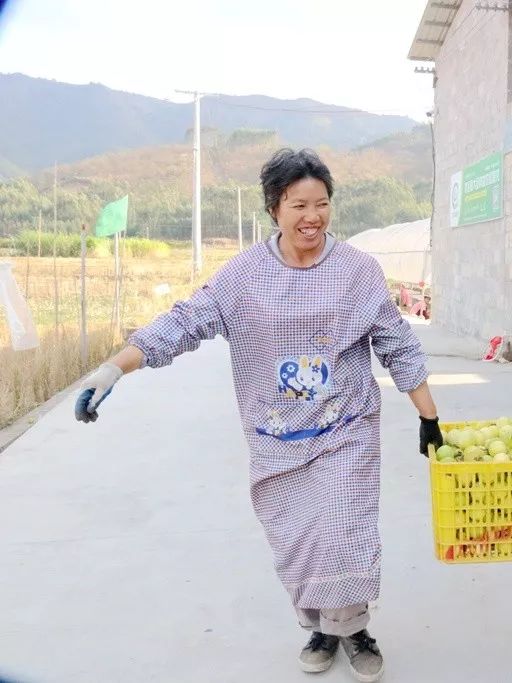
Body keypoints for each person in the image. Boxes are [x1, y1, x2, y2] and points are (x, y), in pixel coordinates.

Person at [73, 148, 444, 681]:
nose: (311, 216)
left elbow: (397, 343)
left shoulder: (358, 270)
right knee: (297, 539)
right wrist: (111, 370)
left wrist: (427, 416)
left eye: (321, 204)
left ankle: (354, 628)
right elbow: (185, 322)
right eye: (298, 204)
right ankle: (319, 624)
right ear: (275, 207)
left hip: (346, 424)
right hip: (275, 434)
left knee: (342, 532)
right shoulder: (244, 274)